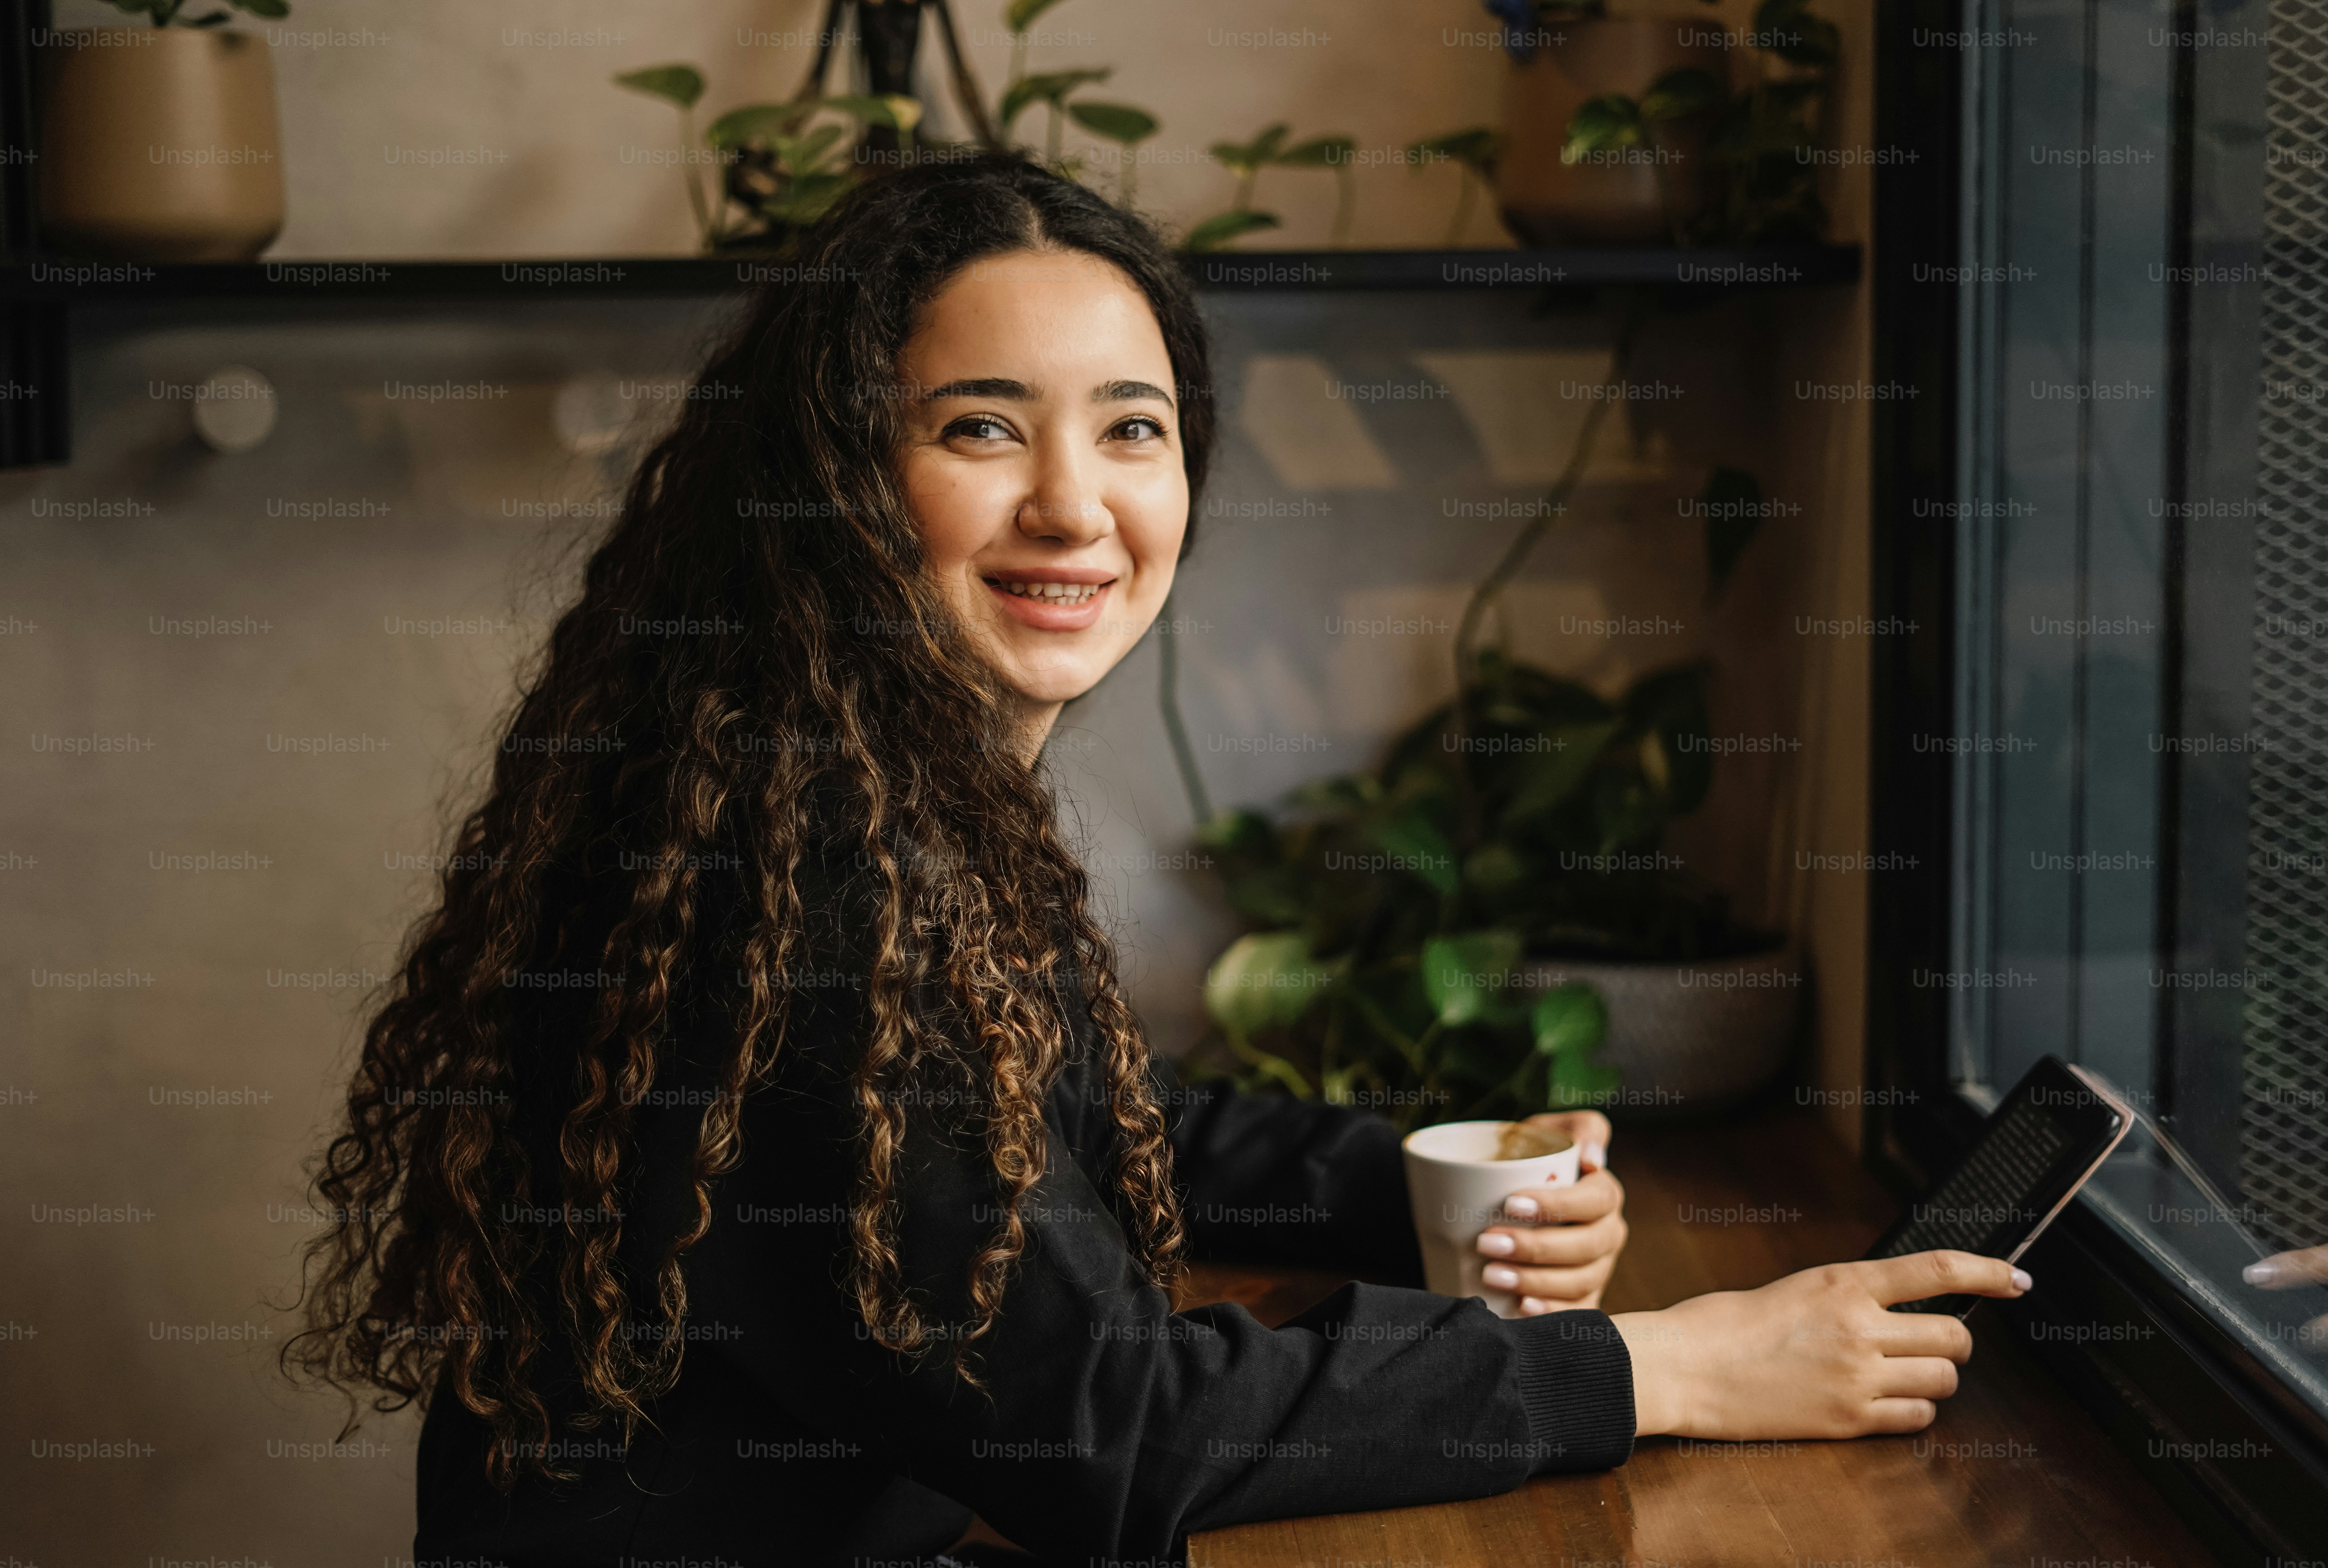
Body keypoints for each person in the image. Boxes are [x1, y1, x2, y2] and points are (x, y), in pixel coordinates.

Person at [283, 152, 2031, 1568]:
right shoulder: (800, 887)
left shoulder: (859, 795)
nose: (1075, 504)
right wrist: (1669, 1363)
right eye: (981, 426)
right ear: (834, 481)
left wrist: (1413, 1180)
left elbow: (1082, 1113)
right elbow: (1105, 1436)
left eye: (1132, 427)